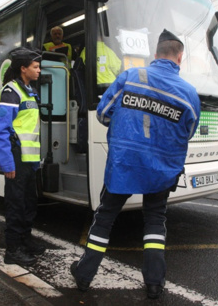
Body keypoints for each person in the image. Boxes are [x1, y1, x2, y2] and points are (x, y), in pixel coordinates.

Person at [70, 29, 200, 299]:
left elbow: (104, 114)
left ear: (155, 55)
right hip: (162, 169)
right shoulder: (189, 93)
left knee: (105, 218)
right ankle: (154, 283)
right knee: (155, 221)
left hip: (124, 164)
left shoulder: (131, 76)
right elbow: (187, 132)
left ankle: (83, 276)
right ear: (179, 57)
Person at [0, 47, 46, 266]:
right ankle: (12, 250)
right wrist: (6, 163)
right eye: (35, 67)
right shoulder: (11, 92)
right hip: (16, 157)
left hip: (28, 160)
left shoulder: (29, 91)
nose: (39, 70)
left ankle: (25, 240)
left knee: (28, 202)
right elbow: (0, 131)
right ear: (23, 69)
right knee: (15, 204)